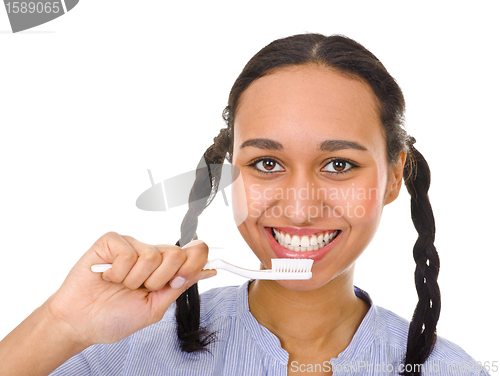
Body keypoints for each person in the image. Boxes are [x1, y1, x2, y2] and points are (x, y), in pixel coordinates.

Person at [0, 33, 490, 376]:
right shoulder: (118, 352)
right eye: (267, 164)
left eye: (338, 165)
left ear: (393, 179)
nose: (299, 209)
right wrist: (60, 326)